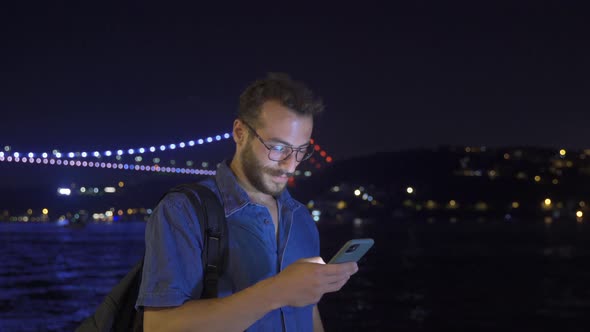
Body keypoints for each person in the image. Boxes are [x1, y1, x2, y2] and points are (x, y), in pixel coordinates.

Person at [136, 73, 358, 332]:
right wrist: (277, 291)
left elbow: (308, 312)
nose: (291, 164)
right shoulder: (182, 211)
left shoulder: (301, 218)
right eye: (277, 147)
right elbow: (159, 327)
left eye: (300, 150)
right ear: (240, 133)